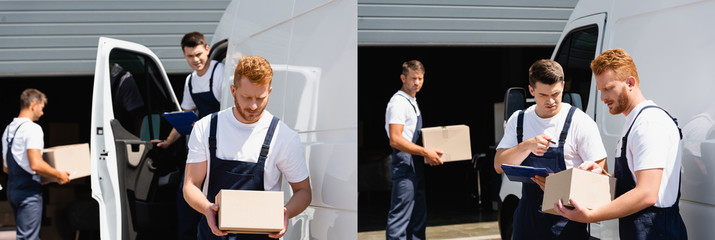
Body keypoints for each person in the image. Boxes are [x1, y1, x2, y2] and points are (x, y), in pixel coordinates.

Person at [554, 48, 688, 239]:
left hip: (655, 231)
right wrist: (604, 175)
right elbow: (634, 178)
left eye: (608, 88)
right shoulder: (635, 121)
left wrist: (591, 216)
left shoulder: (648, 124)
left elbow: (646, 193)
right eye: (601, 91)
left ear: (630, 82)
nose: (602, 98)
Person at [183, 56, 311, 240]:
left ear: (270, 91)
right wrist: (207, 209)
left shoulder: (284, 136)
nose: (253, 106)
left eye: (260, 98)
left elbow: (303, 191)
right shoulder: (206, 128)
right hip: (212, 235)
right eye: (246, 97)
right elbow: (190, 185)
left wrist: (285, 213)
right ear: (233, 91)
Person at [494, 59, 607, 239]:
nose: (551, 101)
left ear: (563, 86)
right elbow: (499, 164)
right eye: (543, 95)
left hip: (566, 223)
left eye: (556, 93)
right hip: (527, 221)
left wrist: (560, 188)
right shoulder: (520, 120)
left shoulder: (580, 122)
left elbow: (600, 177)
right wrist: (526, 146)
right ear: (531, 90)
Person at [152, 32, 226, 239]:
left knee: (214, 199)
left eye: (199, 54)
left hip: (220, 147)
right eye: (190, 56)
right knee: (186, 198)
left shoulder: (219, 73)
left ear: (207, 50)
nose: (196, 60)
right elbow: (187, 113)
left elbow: (230, 112)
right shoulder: (190, 81)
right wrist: (167, 142)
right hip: (200, 146)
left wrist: (204, 122)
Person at [385, 60, 443, 240]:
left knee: (418, 217)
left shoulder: (412, 101)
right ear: (403, 78)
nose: (417, 82)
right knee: (400, 219)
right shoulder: (398, 103)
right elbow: (395, 139)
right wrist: (425, 152)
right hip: (405, 164)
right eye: (412, 78)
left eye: (420, 78)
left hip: (415, 164)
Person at [2, 89, 70, 240]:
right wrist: (58, 174)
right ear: (33, 105)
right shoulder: (32, 129)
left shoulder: (8, 130)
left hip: (12, 189)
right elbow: (35, 164)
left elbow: (6, 167)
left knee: (24, 235)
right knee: (30, 238)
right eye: (42, 108)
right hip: (28, 191)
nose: (42, 112)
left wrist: (42, 177)